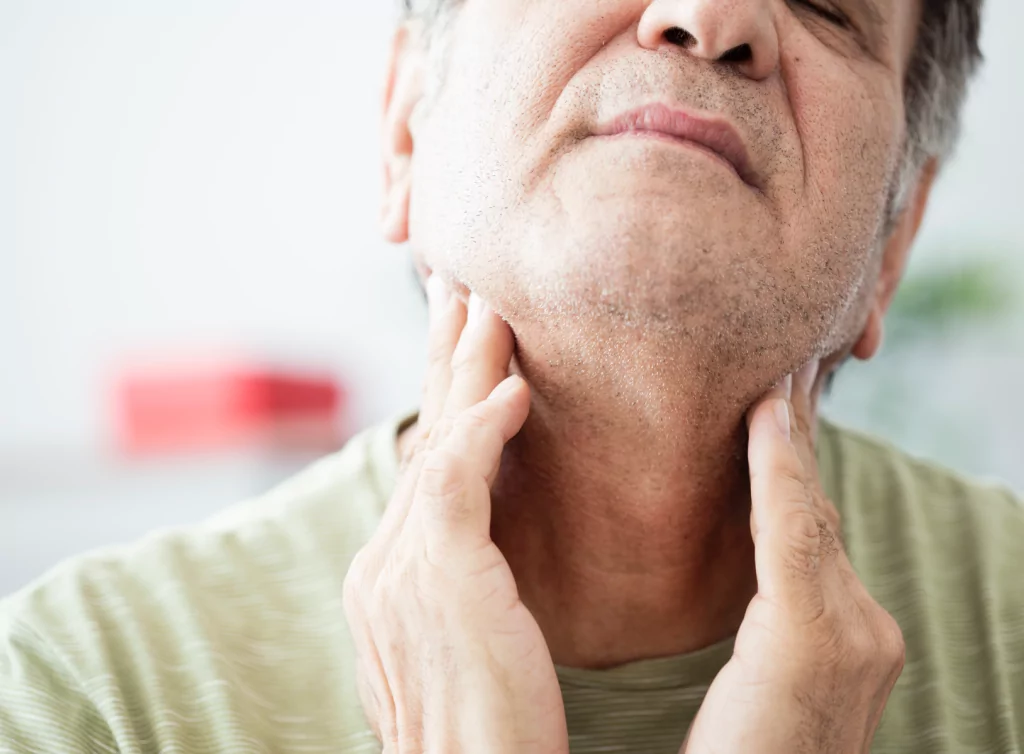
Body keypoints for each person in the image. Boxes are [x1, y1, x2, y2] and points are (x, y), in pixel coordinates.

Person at [1, 0, 1020, 751]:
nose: (708, 17)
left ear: (896, 240)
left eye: (824, 4)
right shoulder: (78, 690)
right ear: (404, 132)